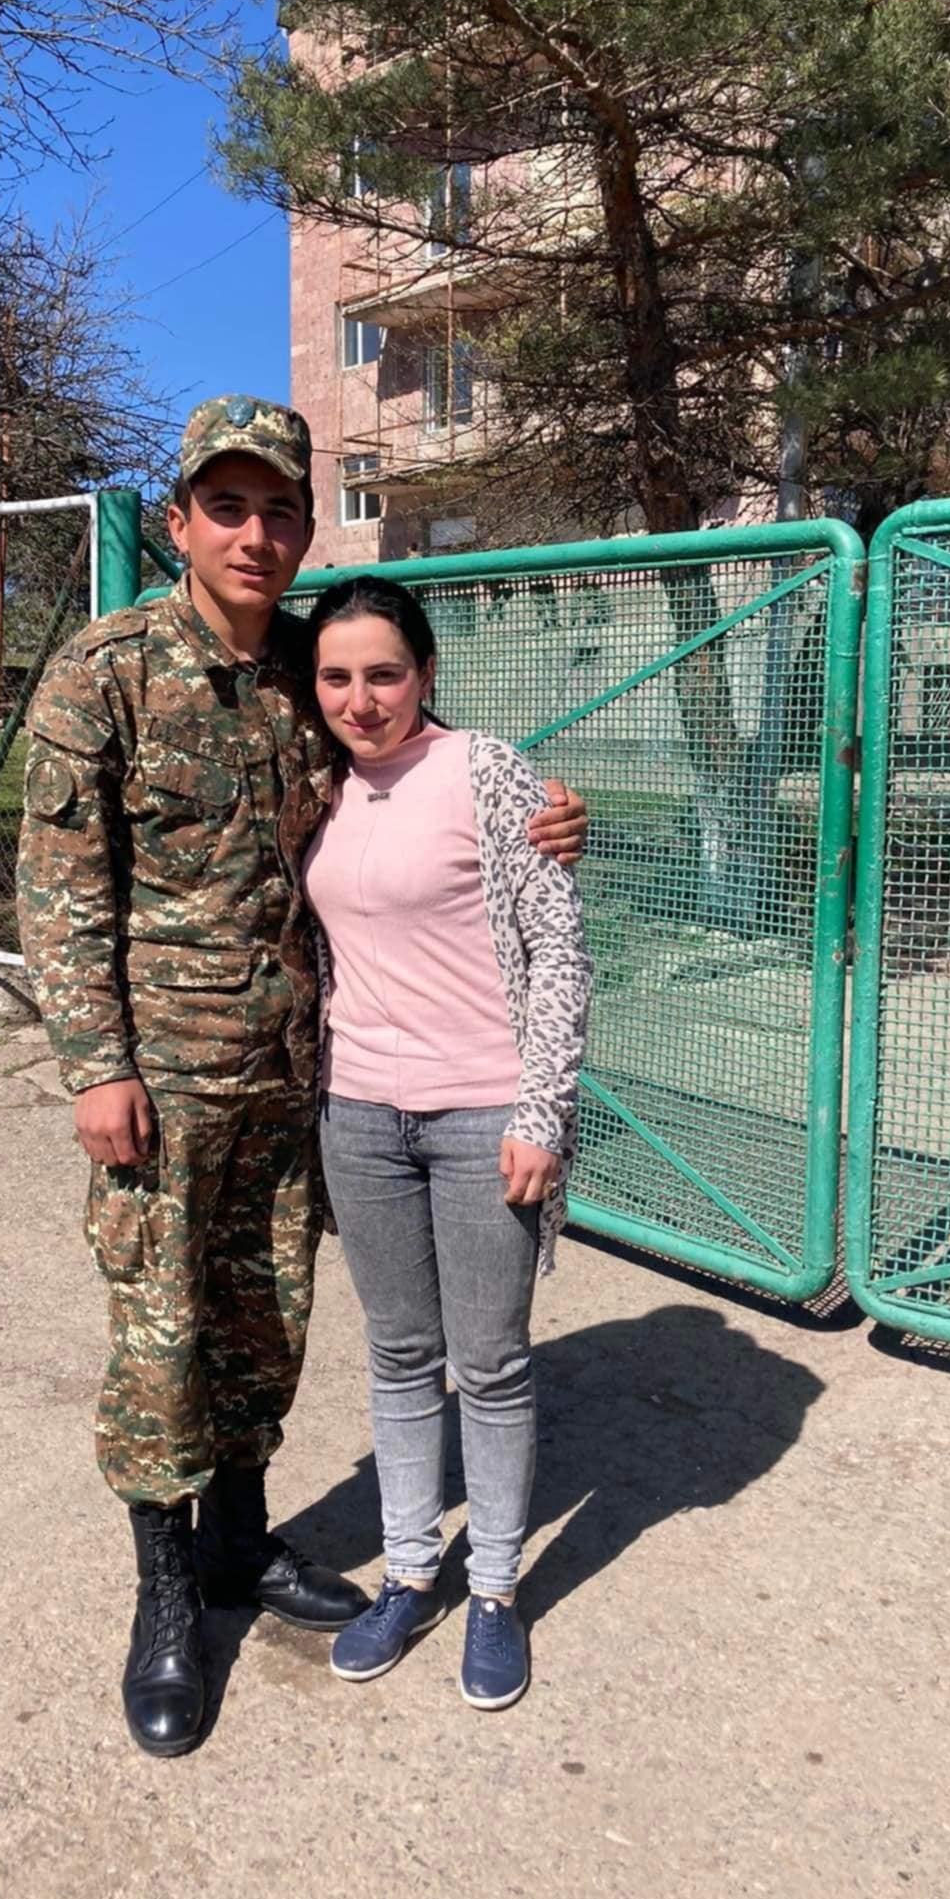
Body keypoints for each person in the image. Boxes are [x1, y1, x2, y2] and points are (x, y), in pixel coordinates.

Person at [16, 395, 588, 1758]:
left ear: (307, 523)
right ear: (180, 523)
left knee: (267, 1326)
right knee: (161, 1338)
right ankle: (168, 1599)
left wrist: (551, 812)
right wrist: (96, 1066)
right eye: (228, 507)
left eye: (280, 509)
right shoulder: (105, 673)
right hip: (162, 1086)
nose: (255, 534)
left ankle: (240, 1543)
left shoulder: (307, 667)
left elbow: (417, 764)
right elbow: (58, 890)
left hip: (298, 1080)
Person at [302, 577, 592, 1711]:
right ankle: (410, 1570)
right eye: (337, 677)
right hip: (358, 1113)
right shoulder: (312, 780)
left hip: (483, 1114)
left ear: (424, 673)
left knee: (492, 1360)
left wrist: (541, 1112)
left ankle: (495, 1589)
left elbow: (558, 947)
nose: (361, 699)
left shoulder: (487, 769)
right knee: (398, 1352)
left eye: (384, 674)